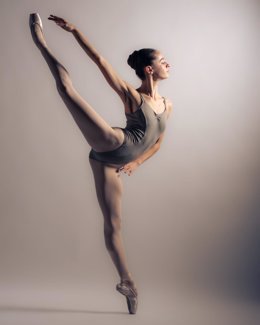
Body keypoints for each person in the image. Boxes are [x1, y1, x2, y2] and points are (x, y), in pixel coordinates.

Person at [29, 13, 172, 315]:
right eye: (163, 60)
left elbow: (157, 143)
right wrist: (75, 31)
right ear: (150, 69)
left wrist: (136, 165)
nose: (167, 64)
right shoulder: (134, 97)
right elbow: (100, 61)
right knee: (67, 90)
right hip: (113, 144)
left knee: (113, 227)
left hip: (111, 165)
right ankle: (41, 42)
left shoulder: (167, 106)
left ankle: (127, 283)